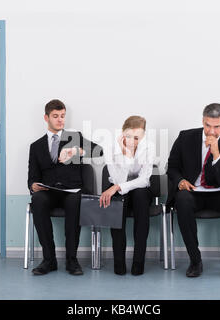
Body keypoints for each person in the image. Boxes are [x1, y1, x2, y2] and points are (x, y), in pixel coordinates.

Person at [167, 103, 220, 280]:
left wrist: (216, 154)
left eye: (216, 127)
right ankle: (195, 261)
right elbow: (171, 167)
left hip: (219, 193)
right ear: (203, 121)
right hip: (193, 192)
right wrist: (180, 181)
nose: (211, 131)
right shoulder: (185, 137)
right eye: (208, 125)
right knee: (182, 200)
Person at [28, 99, 103, 276]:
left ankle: (72, 259)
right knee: (37, 200)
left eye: (62, 116)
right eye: (56, 116)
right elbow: (32, 177)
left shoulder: (74, 137)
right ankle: (49, 260)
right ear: (46, 118)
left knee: (74, 201)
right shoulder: (36, 146)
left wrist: (78, 151)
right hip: (49, 192)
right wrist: (33, 185)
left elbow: (99, 151)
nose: (60, 120)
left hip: (72, 191)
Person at [99, 116, 155, 276]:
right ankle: (119, 262)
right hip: (118, 186)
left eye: (137, 137)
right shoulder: (111, 147)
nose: (132, 141)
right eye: (129, 136)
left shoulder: (148, 147)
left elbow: (144, 179)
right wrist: (127, 155)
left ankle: (138, 262)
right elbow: (117, 179)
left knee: (140, 197)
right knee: (117, 202)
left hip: (140, 189)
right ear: (123, 133)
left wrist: (118, 187)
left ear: (143, 136)